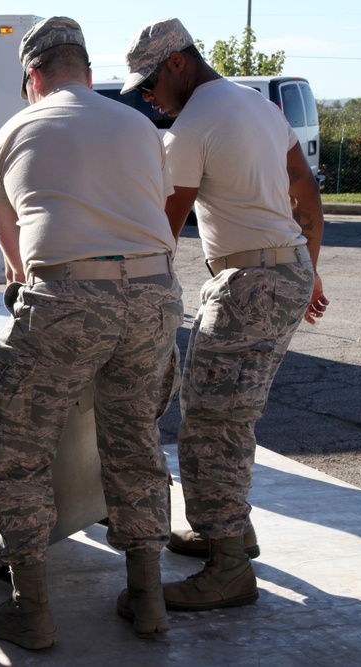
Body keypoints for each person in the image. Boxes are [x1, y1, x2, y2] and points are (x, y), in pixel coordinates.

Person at [0, 16, 184, 649]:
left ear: (32, 77)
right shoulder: (140, 125)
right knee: (135, 439)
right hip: (155, 296)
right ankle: (148, 598)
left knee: (18, 447)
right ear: (88, 74)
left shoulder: (16, 127)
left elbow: (8, 236)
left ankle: (30, 609)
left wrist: (22, 283)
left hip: (68, 295)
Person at [124, 18, 329, 611]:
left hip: (249, 282)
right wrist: (306, 265)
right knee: (230, 412)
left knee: (212, 420)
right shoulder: (257, 106)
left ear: (178, 64)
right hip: (283, 269)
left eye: (150, 83)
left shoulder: (191, 127)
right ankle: (232, 530)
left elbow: (164, 227)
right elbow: (304, 189)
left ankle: (229, 567)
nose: (146, 96)